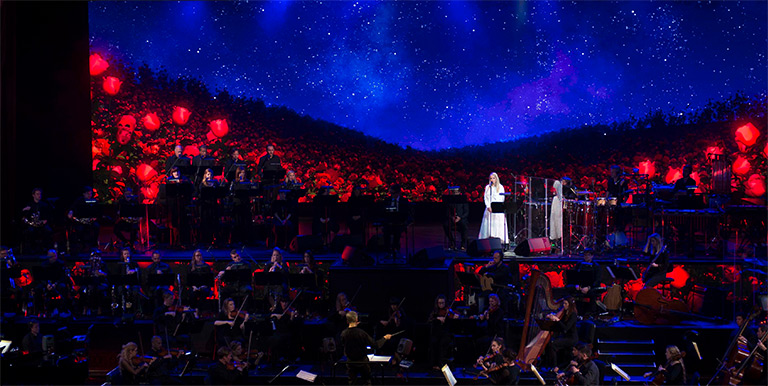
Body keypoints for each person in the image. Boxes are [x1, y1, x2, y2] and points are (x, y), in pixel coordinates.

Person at [341, 311, 393, 385]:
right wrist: (384, 338)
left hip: (350, 362)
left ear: (347, 321)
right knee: (366, 382)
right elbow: (375, 345)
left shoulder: (343, 333)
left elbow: (343, 345)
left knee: (352, 383)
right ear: (356, 319)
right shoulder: (361, 333)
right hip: (362, 362)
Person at [545, 296, 579, 367]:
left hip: (571, 338)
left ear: (570, 304)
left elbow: (566, 328)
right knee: (549, 343)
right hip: (565, 337)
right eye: (563, 303)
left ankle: (555, 367)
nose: (564, 305)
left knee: (553, 344)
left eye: (566, 304)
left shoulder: (573, 314)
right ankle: (548, 364)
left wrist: (557, 320)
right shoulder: (565, 313)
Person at [428, 294, 459, 370]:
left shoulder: (448, 311)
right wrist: (438, 318)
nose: (441, 305)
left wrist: (454, 315)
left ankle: (442, 364)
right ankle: (435, 364)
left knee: (443, 344)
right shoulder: (435, 312)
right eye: (440, 303)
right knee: (434, 343)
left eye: (443, 303)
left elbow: (456, 316)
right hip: (436, 333)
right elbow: (429, 320)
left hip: (446, 333)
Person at [569, 248, 603, 316]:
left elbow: (597, 280)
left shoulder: (596, 266)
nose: (586, 257)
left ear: (592, 256)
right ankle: (573, 310)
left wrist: (588, 287)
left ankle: (591, 313)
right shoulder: (580, 264)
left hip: (591, 287)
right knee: (569, 288)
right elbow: (575, 276)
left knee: (592, 293)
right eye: (585, 255)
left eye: (588, 255)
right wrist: (577, 285)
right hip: (580, 286)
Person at [68, 186, 101, 254]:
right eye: (87, 194)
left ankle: (94, 244)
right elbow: (73, 207)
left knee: (96, 226)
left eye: (90, 193)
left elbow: (98, 212)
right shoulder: (79, 200)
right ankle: (82, 243)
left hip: (90, 221)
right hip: (81, 221)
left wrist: (94, 217)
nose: (89, 195)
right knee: (79, 229)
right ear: (84, 194)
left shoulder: (94, 201)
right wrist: (70, 212)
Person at [21, 188, 53, 253]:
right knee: (30, 231)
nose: (39, 195)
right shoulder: (29, 204)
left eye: (40, 194)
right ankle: (31, 249)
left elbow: (48, 216)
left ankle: (45, 248)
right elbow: (23, 215)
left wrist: (45, 221)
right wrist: (24, 210)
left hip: (41, 224)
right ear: (33, 195)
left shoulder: (44, 205)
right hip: (32, 224)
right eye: (37, 194)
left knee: (48, 230)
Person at [478, 173, 508, 243]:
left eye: (493, 178)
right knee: (488, 224)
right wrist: (488, 206)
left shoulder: (500, 187)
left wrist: (497, 206)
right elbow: (486, 197)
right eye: (491, 178)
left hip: (498, 209)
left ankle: (500, 239)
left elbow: (502, 197)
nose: (492, 180)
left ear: (496, 179)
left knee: (498, 224)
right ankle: (487, 238)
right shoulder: (488, 187)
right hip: (489, 209)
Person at [383, 184, 410, 256]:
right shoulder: (387, 200)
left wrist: (405, 222)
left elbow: (407, 213)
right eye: (391, 193)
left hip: (399, 223)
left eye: (393, 193)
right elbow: (383, 212)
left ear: (398, 193)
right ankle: (388, 250)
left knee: (397, 233)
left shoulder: (404, 201)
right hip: (389, 223)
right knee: (386, 233)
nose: (392, 195)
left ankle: (396, 249)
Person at [443, 186, 469, 251]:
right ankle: (452, 242)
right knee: (446, 225)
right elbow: (447, 212)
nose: (455, 194)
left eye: (456, 192)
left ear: (459, 192)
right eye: (454, 192)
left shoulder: (463, 200)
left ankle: (463, 244)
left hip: (461, 218)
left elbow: (466, 211)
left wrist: (460, 217)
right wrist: (452, 217)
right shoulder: (450, 201)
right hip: (452, 218)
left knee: (464, 226)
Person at [550, 179, 564, 251]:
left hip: (560, 204)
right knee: (555, 221)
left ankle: (558, 240)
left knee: (559, 222)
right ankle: (555, 240)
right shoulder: (557, 183)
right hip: (557, 204)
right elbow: (555, 192)